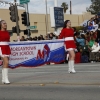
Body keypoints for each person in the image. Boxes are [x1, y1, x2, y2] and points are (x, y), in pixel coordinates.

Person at [0, 20, 11, 84]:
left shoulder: (7, 32)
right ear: (1, 25)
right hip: (1, 47)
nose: (5, 24)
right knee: (6, 62)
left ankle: (3, 79)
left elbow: (8, 40)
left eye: (5, 23)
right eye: (4, 23)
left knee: (5, 63)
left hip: (7, 47)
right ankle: (6, 79)